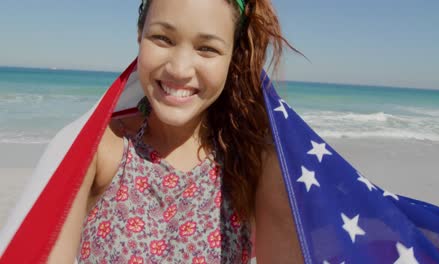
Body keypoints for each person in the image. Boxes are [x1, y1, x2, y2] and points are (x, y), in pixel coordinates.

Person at [47, 0, 302, 263]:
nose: (179, 69)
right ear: (139, 34)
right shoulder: (101, 150)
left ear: (232, 56)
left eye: (207, 48)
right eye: (163, 38)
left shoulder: (253, 164)